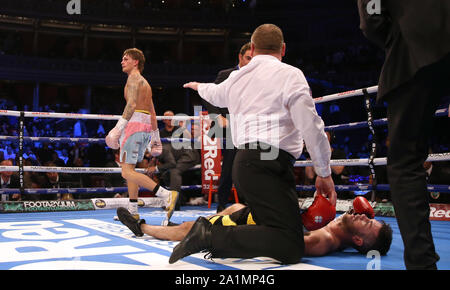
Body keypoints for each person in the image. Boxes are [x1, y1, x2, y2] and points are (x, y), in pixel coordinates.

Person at [177, 24, 336, 265]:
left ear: (252, 48)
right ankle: (209, 234)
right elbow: (311, 127)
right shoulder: (290, 75)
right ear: (283, 49)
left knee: (282, 229)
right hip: (268, 164)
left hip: (247, 164)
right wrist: (324, 172)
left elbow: (215, 93)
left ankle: (213, 231)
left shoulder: (237, 77)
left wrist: (198, 86)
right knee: (291, 245)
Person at [357, 0, 450, 270]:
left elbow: (370, 18)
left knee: (405, 162)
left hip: (417, 48)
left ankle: (422, 264)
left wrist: (397, 37)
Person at [117, 200, 392, 257]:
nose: (361, 215)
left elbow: (282, 240)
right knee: (232, 208)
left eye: (365, 222)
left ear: (357, 239)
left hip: (257, 224)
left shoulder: (324, 239)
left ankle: (143, 228)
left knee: (195, 227)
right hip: (260, 214)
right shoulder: (335, 227)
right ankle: (171, 227)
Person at [105, 48, 178, 224]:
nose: (122, 62)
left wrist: (117, 128)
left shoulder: (133, 79)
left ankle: (166, 194)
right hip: (144, 128)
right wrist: (155, 137)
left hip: (133, 127)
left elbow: (130, 106)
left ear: (136, 61)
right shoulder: (145, 83)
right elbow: (152, 113)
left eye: (126, 59)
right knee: (130, 170)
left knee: (126, 171)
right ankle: (133, 211)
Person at [202, 42, 252, 212]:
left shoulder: (257, 76)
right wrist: (217, 116)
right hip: (231, 125)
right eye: (248, 58)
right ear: (240, 57)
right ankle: (221, 205)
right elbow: (209, 96)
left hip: (251, 125)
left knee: (251, 165)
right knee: (230, 165)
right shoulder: (226, 75)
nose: (250, 62)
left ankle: (249, 205)